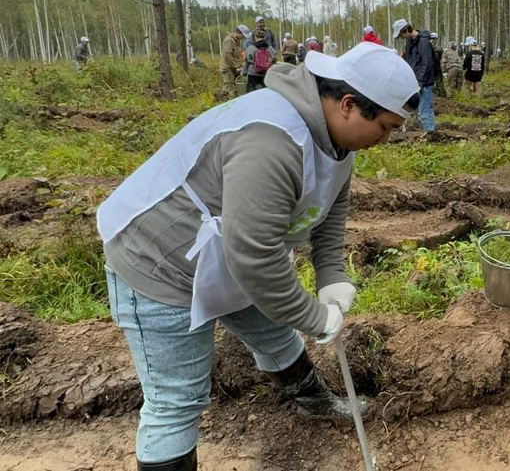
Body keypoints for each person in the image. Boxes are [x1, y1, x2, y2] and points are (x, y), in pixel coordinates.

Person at [97, 42, 420, 470]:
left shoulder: (337, 139)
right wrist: (313, 315)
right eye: (386, 127)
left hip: (225, 252)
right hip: (160, 260)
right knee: (177, 400)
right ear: (348, 104)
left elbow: (330, 208)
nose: (386, 139)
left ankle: (313, 402)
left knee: (275, 336)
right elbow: (255, 257)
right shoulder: (271, 141)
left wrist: (331, 275)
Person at [394, 18, 436, 132]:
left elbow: (426, 64)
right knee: (417, 111)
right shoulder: (410, 42)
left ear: (406, 30)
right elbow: (409, 61)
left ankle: (430, 134)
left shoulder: (423, 42)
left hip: (424, 82)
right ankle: (423, 133)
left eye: (401, 35)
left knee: (425, 110)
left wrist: (420, 82)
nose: (401, 38)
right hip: (415, 82)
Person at [218, 25, 248, 100]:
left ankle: (224, 99)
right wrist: (236, 66)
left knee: (232, 86)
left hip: (233, 68)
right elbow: (228, 56)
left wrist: (241, 65)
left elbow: (237, 55)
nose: (243, 37)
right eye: (242, 35)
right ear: (238, 32)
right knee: (229, 86)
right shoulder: (229, 40)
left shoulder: (237, 41)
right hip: (228, 68)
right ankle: (223, 101)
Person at [430, 32, 447, 98]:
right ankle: (441, 96)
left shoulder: (428, 46)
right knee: (438, 83)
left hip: (432, 68)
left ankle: (437, 96)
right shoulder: (439, 49)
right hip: (435, 68)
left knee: (433, 83)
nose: (433, 40)